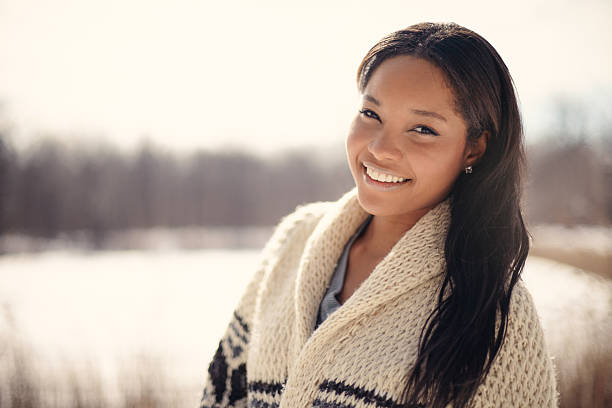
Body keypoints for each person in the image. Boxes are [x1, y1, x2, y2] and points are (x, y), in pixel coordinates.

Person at [198, 22, 558, 408]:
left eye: (422, 129)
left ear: (473, 149)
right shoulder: (295, 242)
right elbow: (220, 397)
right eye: (371, 113)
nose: (381, 148)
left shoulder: (496, 315)